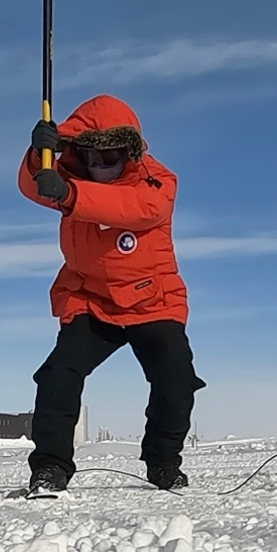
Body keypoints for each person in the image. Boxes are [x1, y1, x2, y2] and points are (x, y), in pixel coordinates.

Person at [17, 94, 203, 496]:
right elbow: (33, 186)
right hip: (91, 300)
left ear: (130, 152)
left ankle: (164, 464)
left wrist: (70, 196)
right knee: (57, 377)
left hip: (153, 301)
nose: (102, 167)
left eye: (113, 156)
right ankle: (50, 469)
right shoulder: (71, 180)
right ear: (79, 155)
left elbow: (134, 209)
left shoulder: (157, 182)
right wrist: (38, 155)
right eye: (92, 157)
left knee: (176, 380)